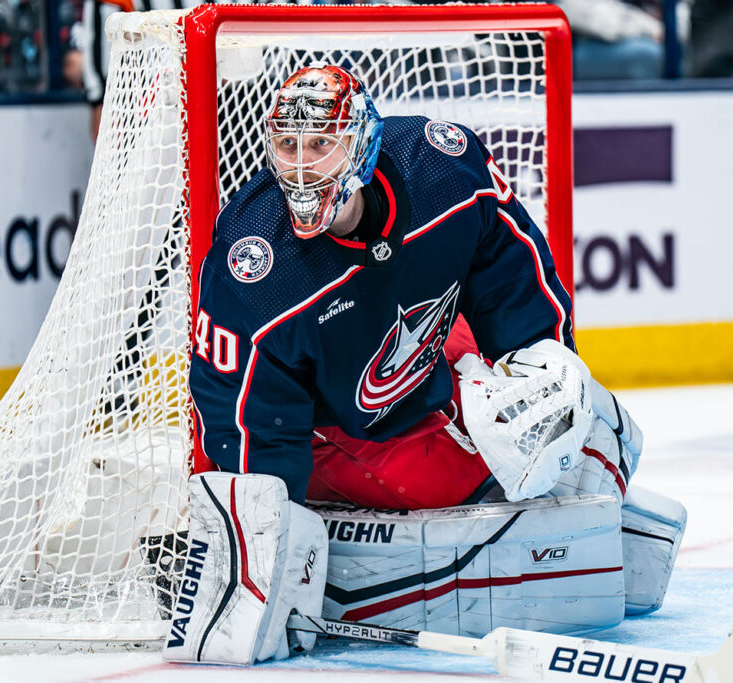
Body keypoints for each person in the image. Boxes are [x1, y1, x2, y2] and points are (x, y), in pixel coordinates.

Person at [170, 65, 684, 666]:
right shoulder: (253, 264)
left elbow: (512, 267)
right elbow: (243, 420)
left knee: (589, 417)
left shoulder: (443, 164)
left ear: (362, 142)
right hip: (338, 428)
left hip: (424, 349)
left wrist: (541, 367)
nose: (303, 167)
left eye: (321, 143)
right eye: (288, 145)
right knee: (464, 481)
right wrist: (267, 542)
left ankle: (580, 529)